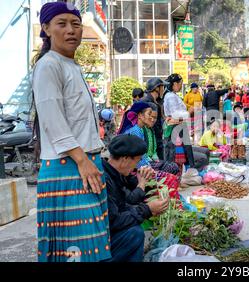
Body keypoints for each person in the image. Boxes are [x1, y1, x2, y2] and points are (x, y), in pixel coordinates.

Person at [32, 2, 110, 262]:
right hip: (69, 167)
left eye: (75, 24)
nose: (71, 30)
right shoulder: (48, 65)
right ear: (46, 29)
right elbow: (54, 122)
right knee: (77, 252)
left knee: (93, 246)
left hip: (84, 163)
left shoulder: (71, 66)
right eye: (61, 24)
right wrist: (83, 160)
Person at [103, 135, 169, 262]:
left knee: (135, 225)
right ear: (125, 159)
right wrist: (147, 209)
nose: (136, 166)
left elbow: (124, 203)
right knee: (135, 232)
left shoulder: (116, 173)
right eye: (137, 161)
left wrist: (144, 180)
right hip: (102, 238)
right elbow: (114, 220)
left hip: (109, 231)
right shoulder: (105, 179)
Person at [117, 102, 181, 190]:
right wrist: (151, 171)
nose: (152, 118)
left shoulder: (140, 129)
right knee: (170, 172)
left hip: (139, 165)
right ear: (140, 115)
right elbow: (139, 158)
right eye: (149, 114)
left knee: (170, 169)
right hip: (133, 169)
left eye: (153, 116)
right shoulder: (135, 131)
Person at [163, 74, 210, 171]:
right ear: (175, 84)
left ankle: (189, 171)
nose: (181, 86)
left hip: (180, 127)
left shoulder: (173, 95)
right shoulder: (170, 96)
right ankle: (179, 173)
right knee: (176, 154)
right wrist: (189, 112)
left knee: (186, 152)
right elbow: (175, 115)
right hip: (175, 128)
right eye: (180, 83)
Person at [141, 78, 168, 160]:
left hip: (157, 139)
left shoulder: (156, 101)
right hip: (152, 142)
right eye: (162, 87)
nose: (163, 90)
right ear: (156, 88)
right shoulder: (148, 103)